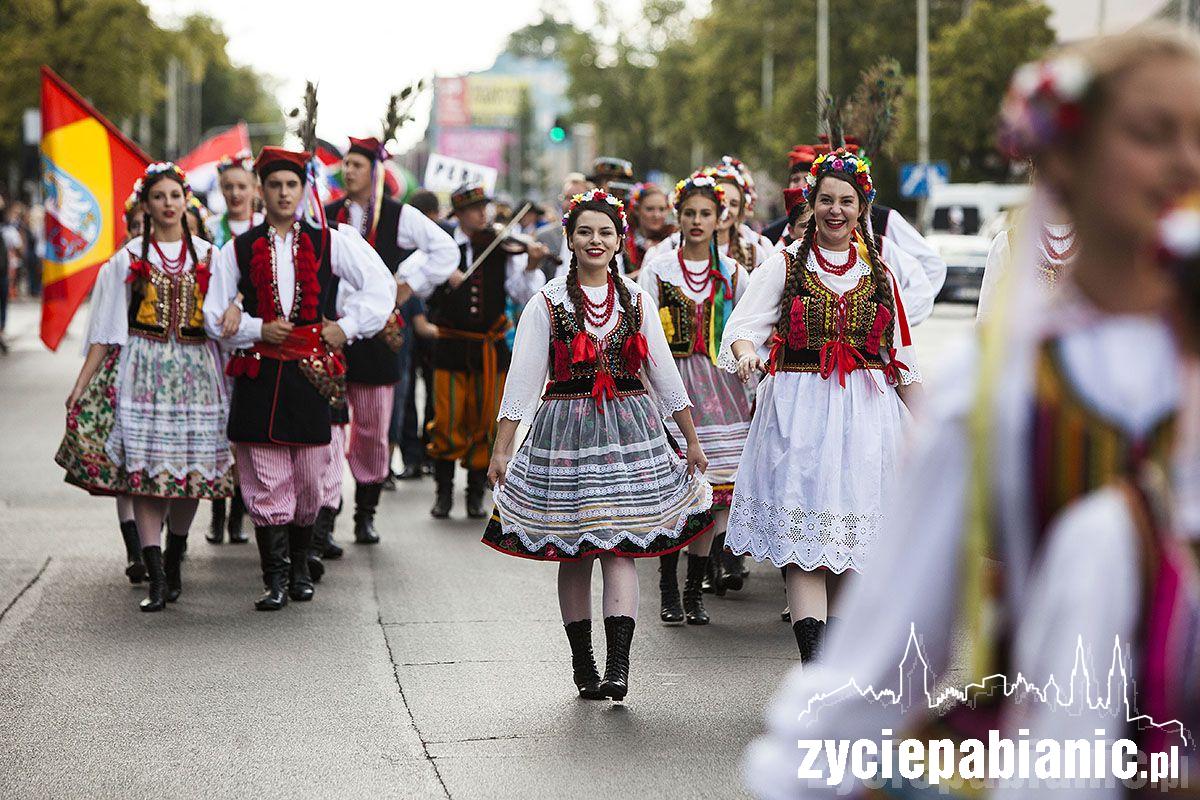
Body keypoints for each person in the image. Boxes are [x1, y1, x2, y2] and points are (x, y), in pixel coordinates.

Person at [741, 28, 1200, 798]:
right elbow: (881, 659)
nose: (1186, 162)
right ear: (1062, 156)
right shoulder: (999, 396)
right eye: (1153, 134)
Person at [483, 189, 713, 701]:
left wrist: (690, 440)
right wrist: (502, 449)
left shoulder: (636, 299)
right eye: (585, 231)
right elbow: (521, 382)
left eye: (605, 232)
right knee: (575, 551)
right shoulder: (547, 303)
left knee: (620, 549)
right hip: (565, 433)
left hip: (630, 432)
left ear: (619, 240)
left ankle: (619, 665)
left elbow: (665, 376)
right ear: (570, 238)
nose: (595, 240)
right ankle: (582, 662)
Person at [719, 147, 921, 659]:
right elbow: (742, 329)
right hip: (800, 414)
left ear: (862, 208)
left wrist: (940, 428)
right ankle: (814, 664)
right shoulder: (784, 264)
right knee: (804, 546)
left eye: (846, 201)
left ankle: (837, 661)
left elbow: (902, 360)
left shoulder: (880, 273)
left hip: (866, 418)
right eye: (826, 200)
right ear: (810, 203)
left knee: (855, 551)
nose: (836, 210)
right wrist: (747, 357)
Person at [203, 146, 394, 611]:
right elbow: (213, 315)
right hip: (261, 374)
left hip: (311, 376)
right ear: (262, 193)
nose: (284, 193)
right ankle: (276, 577)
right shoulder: (238, 248)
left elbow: (381, 286)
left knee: (310, 480)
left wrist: (345, 327)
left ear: (304, 189)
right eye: (275, 185)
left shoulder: (332, 240)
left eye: (292, 185)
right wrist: (253, 327)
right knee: (266, 479)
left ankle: (303, 563)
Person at [58, 162, 235, 612]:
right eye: (159, 197)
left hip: (197, 376)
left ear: (186, 200)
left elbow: (228, 319)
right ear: (146, 204)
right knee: (146, 478)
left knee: (191, 477)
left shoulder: (212, 258)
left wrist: (234, 311)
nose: (168, 204)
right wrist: (82, 385)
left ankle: (175, 558)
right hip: (144, 373)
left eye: (175, 195)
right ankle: (156, 577)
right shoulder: (128, 259)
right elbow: (107, 330)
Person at [322, 136, 459, 547]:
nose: (349, 171)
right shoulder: (326, 214)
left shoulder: (398, 216)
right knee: (326, 428)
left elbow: (444, 250)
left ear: (375, 171)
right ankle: (324, 519)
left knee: (372, 426)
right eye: (345, 164)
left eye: (357, 165)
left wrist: (407, 286)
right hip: (331, 331)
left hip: (379, 334)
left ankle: (366, 513)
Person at [639, 172, 753, 626]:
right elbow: (644, 331)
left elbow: (750, 325)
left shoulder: (733, 272)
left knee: (716, 493)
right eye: (689, 213)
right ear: (678, 217)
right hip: (674, 388)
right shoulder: (658, 268)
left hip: (724, 390)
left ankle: (694, 588)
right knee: (677, 491)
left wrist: (752, 366)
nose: (697, 221)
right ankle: (669, 586)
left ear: (719, 217)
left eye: (706, 213)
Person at [423, 182, 546, 519]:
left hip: (489, 352)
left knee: (487, 420)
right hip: (450, 347)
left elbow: (522, 294)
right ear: (459, 214)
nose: (483, 214)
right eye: (475, 208)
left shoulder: (502, 248)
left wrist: (532, 266)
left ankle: (475, 492)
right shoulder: (442, 248)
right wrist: (442, 276)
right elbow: (421, 287)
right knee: (446, 422)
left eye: (485, 207)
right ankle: (443, 493)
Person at [537, 173, 591, 281]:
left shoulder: (597, 239)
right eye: (566, 197)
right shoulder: (544, 236)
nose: (571, 202)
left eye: (577, 197)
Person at [205, 152, 263, 250]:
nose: (235, 193)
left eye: (242, 187)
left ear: (255, 189)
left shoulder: (263, 224)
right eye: (228, 187)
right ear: (221, 189)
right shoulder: (210, 226)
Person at [624, 182, 674, 276]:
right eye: (650, 209)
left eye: (662, 209)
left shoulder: (673, 239)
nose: (656, 215)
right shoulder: (624, 240)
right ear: (637, 210)